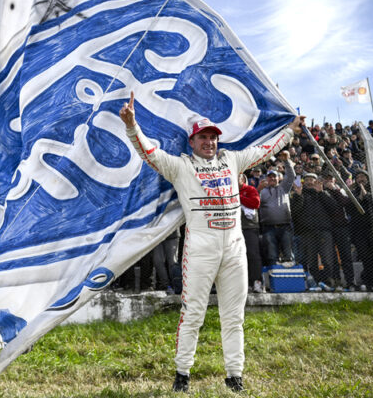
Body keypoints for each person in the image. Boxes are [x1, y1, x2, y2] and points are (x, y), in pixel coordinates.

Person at [119, 91, 303, 393]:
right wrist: (131, 126)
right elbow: (149, 152)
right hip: (200, 249)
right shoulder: (180, 166)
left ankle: (234, 376)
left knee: (234, 316)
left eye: (213, 137)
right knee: (192, 313)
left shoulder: (232, 159)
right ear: (192, 142)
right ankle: (182, 374)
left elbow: (264, 149)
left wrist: (290, 131)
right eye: (203, 138)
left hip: (234, 249)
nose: (209, 142)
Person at [258, 153, 295, 266]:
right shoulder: (262, 191)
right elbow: (255, 203)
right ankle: (273, 275)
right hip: (268, 227)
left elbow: (291, 176)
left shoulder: (284, 188)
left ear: (279, 178)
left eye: (274, 176)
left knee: (288, 253)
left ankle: (288, 280)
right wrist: (258, 189)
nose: (272, 178)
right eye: (270, 177)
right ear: (267, 179)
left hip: (285, 226)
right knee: (272, 255)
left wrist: (287, 161)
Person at [238, 174, 263, 293]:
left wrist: (238, 198)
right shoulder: (228, 190)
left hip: (249, 227)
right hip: (234, 229)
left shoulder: (250, 189)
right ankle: (245, 283)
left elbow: (255, 203)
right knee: (238, 257)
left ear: (243, 179)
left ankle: (257, 282)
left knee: (253, 255)